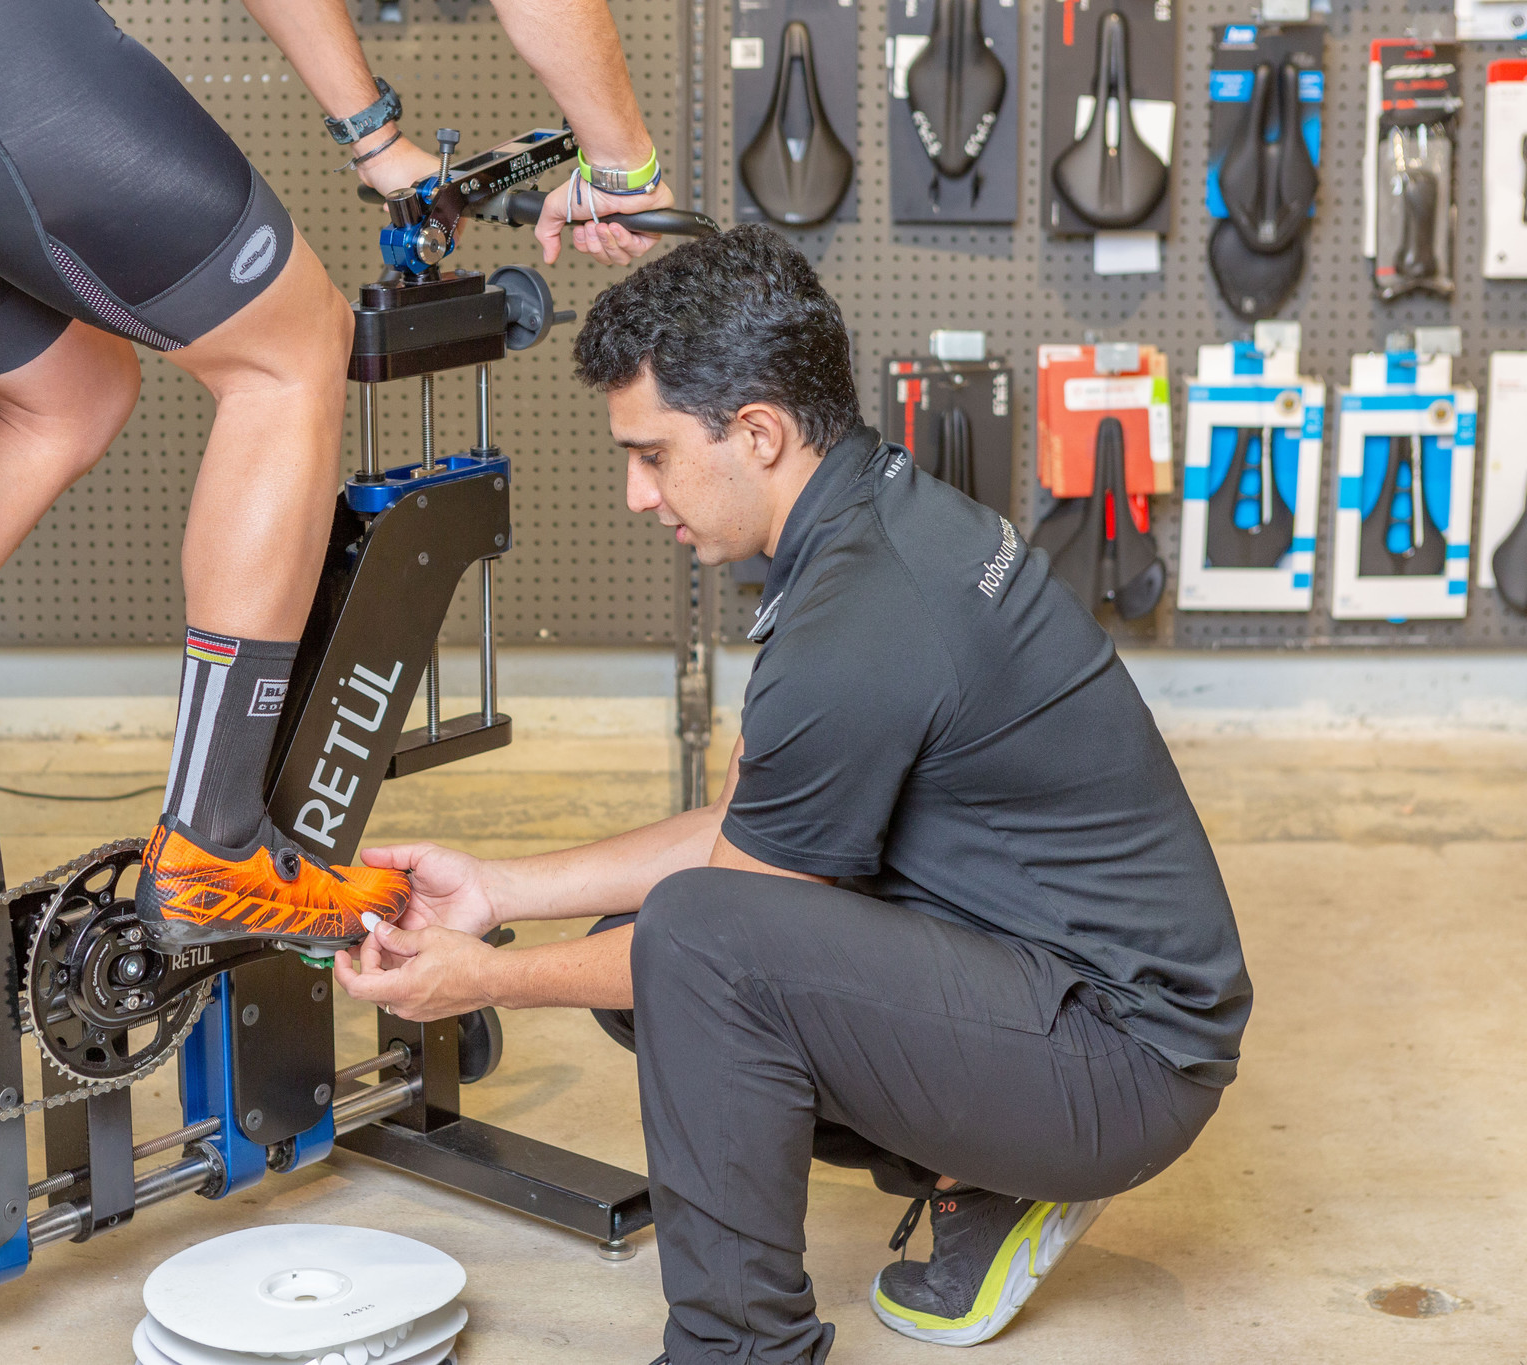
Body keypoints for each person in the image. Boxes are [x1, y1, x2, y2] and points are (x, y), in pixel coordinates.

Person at [334, 225, 1253, 1363]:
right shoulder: (866, 519)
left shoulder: (860, 619)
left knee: (685, 950)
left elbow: (713, 932)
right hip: (1069, 990)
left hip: (1120, 1064)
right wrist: (495, 889)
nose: (634, 494)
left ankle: (741, 1349)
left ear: (756, 433)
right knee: (657, 948)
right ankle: (988, 1171)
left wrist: (487, 980)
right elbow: (748, 832)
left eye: (653, 453)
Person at [0, 0, 673, 946]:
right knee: (286, 356)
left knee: (64, 395)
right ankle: (216, 843)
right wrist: (626, 166)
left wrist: (373, 139)